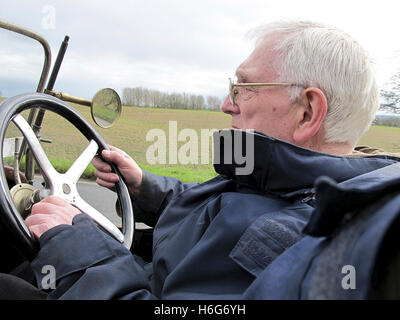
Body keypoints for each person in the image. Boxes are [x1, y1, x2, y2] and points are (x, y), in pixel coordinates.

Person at [12, 20, 400, 299]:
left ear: (306, 112)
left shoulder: (289, 237)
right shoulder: (277, 178)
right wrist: (145, 187)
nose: (225, 104)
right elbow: (210, 208)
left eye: (243, 87)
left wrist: (81, 251)